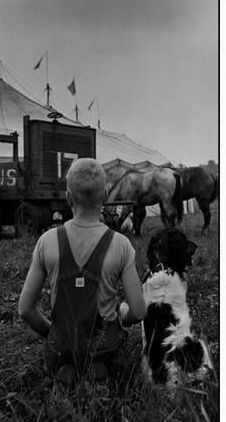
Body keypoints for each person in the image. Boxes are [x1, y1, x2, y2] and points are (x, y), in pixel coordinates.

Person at [18, 158, 146, 384]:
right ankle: (99, 369)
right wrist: (123, 314)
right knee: (115, 356)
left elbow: (25, 309)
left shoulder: (46, 241)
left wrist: (53, 333)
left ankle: (66, 368)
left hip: (60, 347)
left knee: (58, 353)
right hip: (105, 348)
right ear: (105, 195)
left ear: (68, 197)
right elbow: (138, 311)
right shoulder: (121, 245)